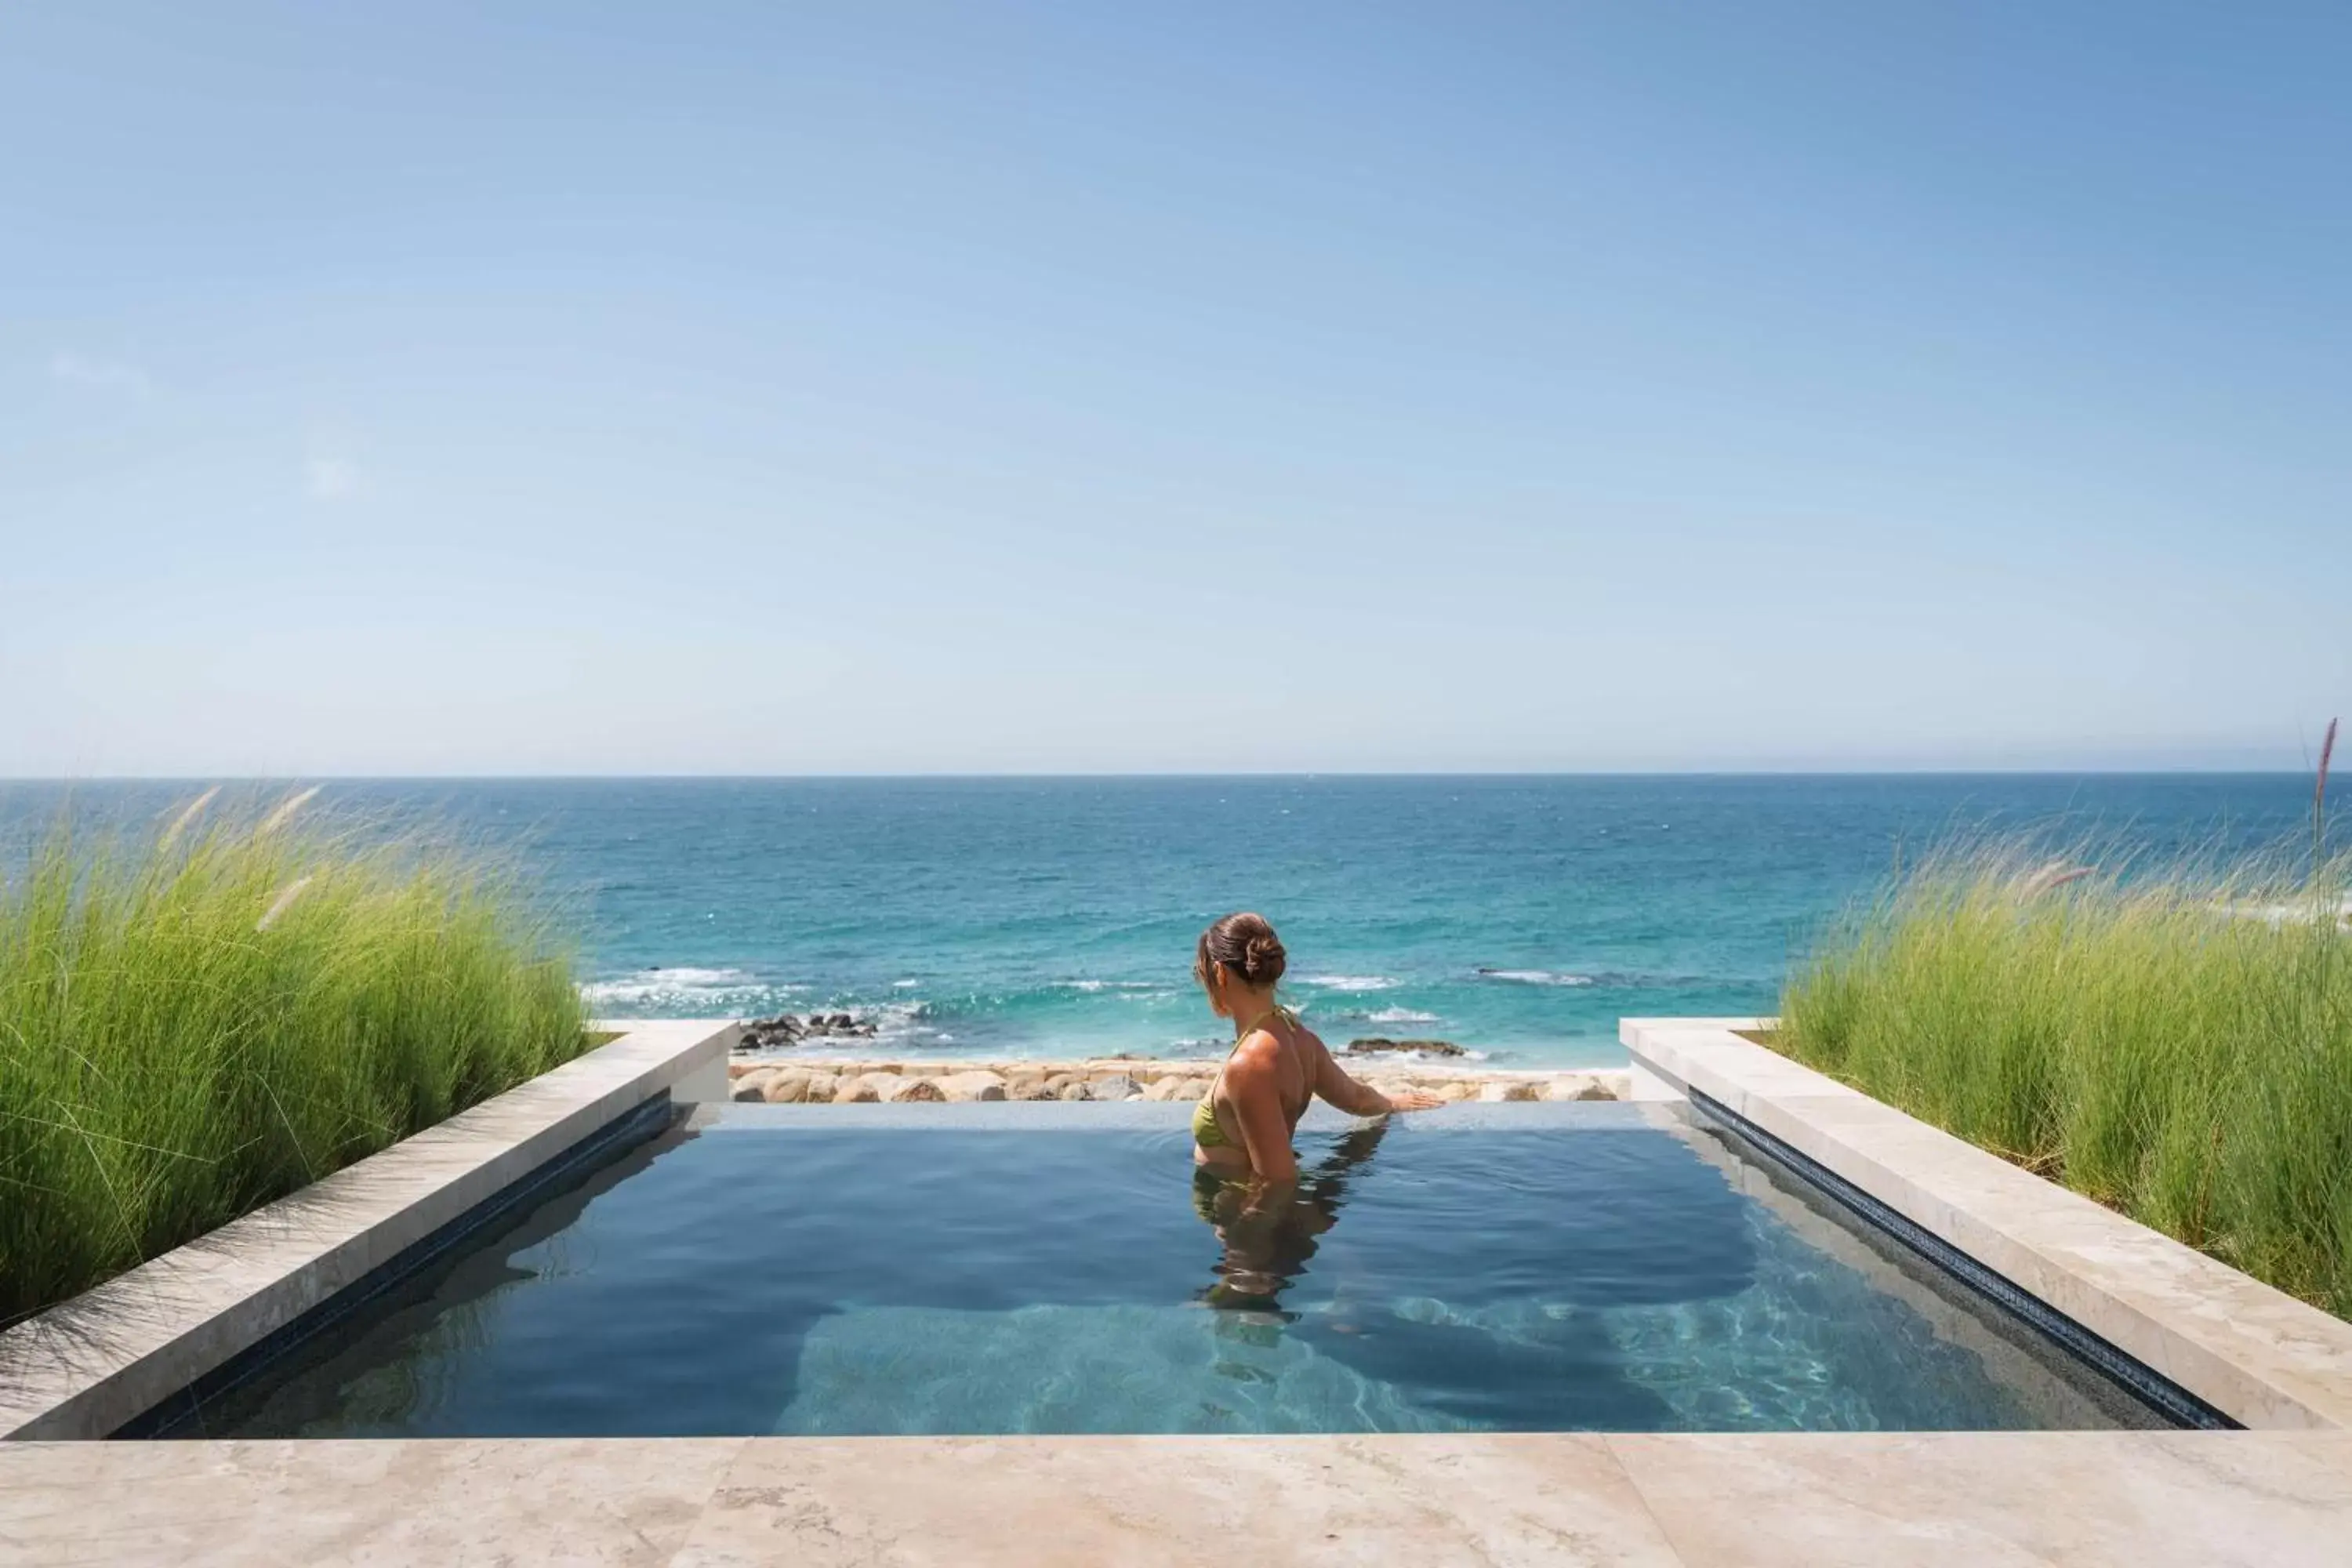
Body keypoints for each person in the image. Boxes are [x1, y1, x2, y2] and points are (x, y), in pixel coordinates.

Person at [1190, 911, 1443, 1185]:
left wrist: (1245, 1224)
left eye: (1202, 973)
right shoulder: (1301, 1039)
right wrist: (1391, 1102)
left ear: (1219, 973)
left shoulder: (1249, 1064)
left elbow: (1277, 1183)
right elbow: (1357, 1099)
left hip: (1238, 1209)